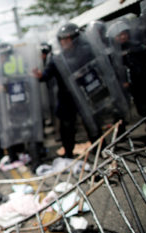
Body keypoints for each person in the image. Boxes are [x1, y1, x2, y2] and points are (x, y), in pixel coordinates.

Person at [33, 23, 99, 158]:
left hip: (86, 94)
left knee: (91, 123)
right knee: (67, 127)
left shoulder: (87, 52)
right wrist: (39, 75)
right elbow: (46, 75)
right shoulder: (58, 58)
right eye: (62, 39)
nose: (65, 42)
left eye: (68, 39)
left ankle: (100, 148)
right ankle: (68, 153)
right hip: (67, 98)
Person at [107, 20, 146, 133]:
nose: (122, 37)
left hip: (141, 81)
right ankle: (119, 131)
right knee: (121, 110)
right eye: (119, 35)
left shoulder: (137, 47)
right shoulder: (113, 54)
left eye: (124, 33)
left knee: (145, 105)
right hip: (123, 87)